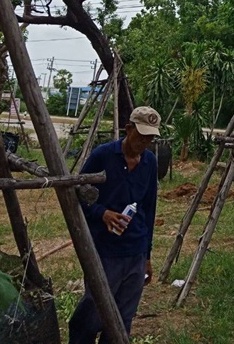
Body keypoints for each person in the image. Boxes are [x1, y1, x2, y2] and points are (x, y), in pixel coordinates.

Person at [68, 106, 161, 344]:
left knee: (123, 317)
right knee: (93, 311)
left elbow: (149, 208)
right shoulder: (103, 155)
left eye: (150, 138)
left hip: (135, 251)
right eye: (141, 136)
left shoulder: (150, 162)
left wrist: (147, 255)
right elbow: (77, 191)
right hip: (104, 249)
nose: (144, 142)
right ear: (128, 129)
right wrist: (102, 213)